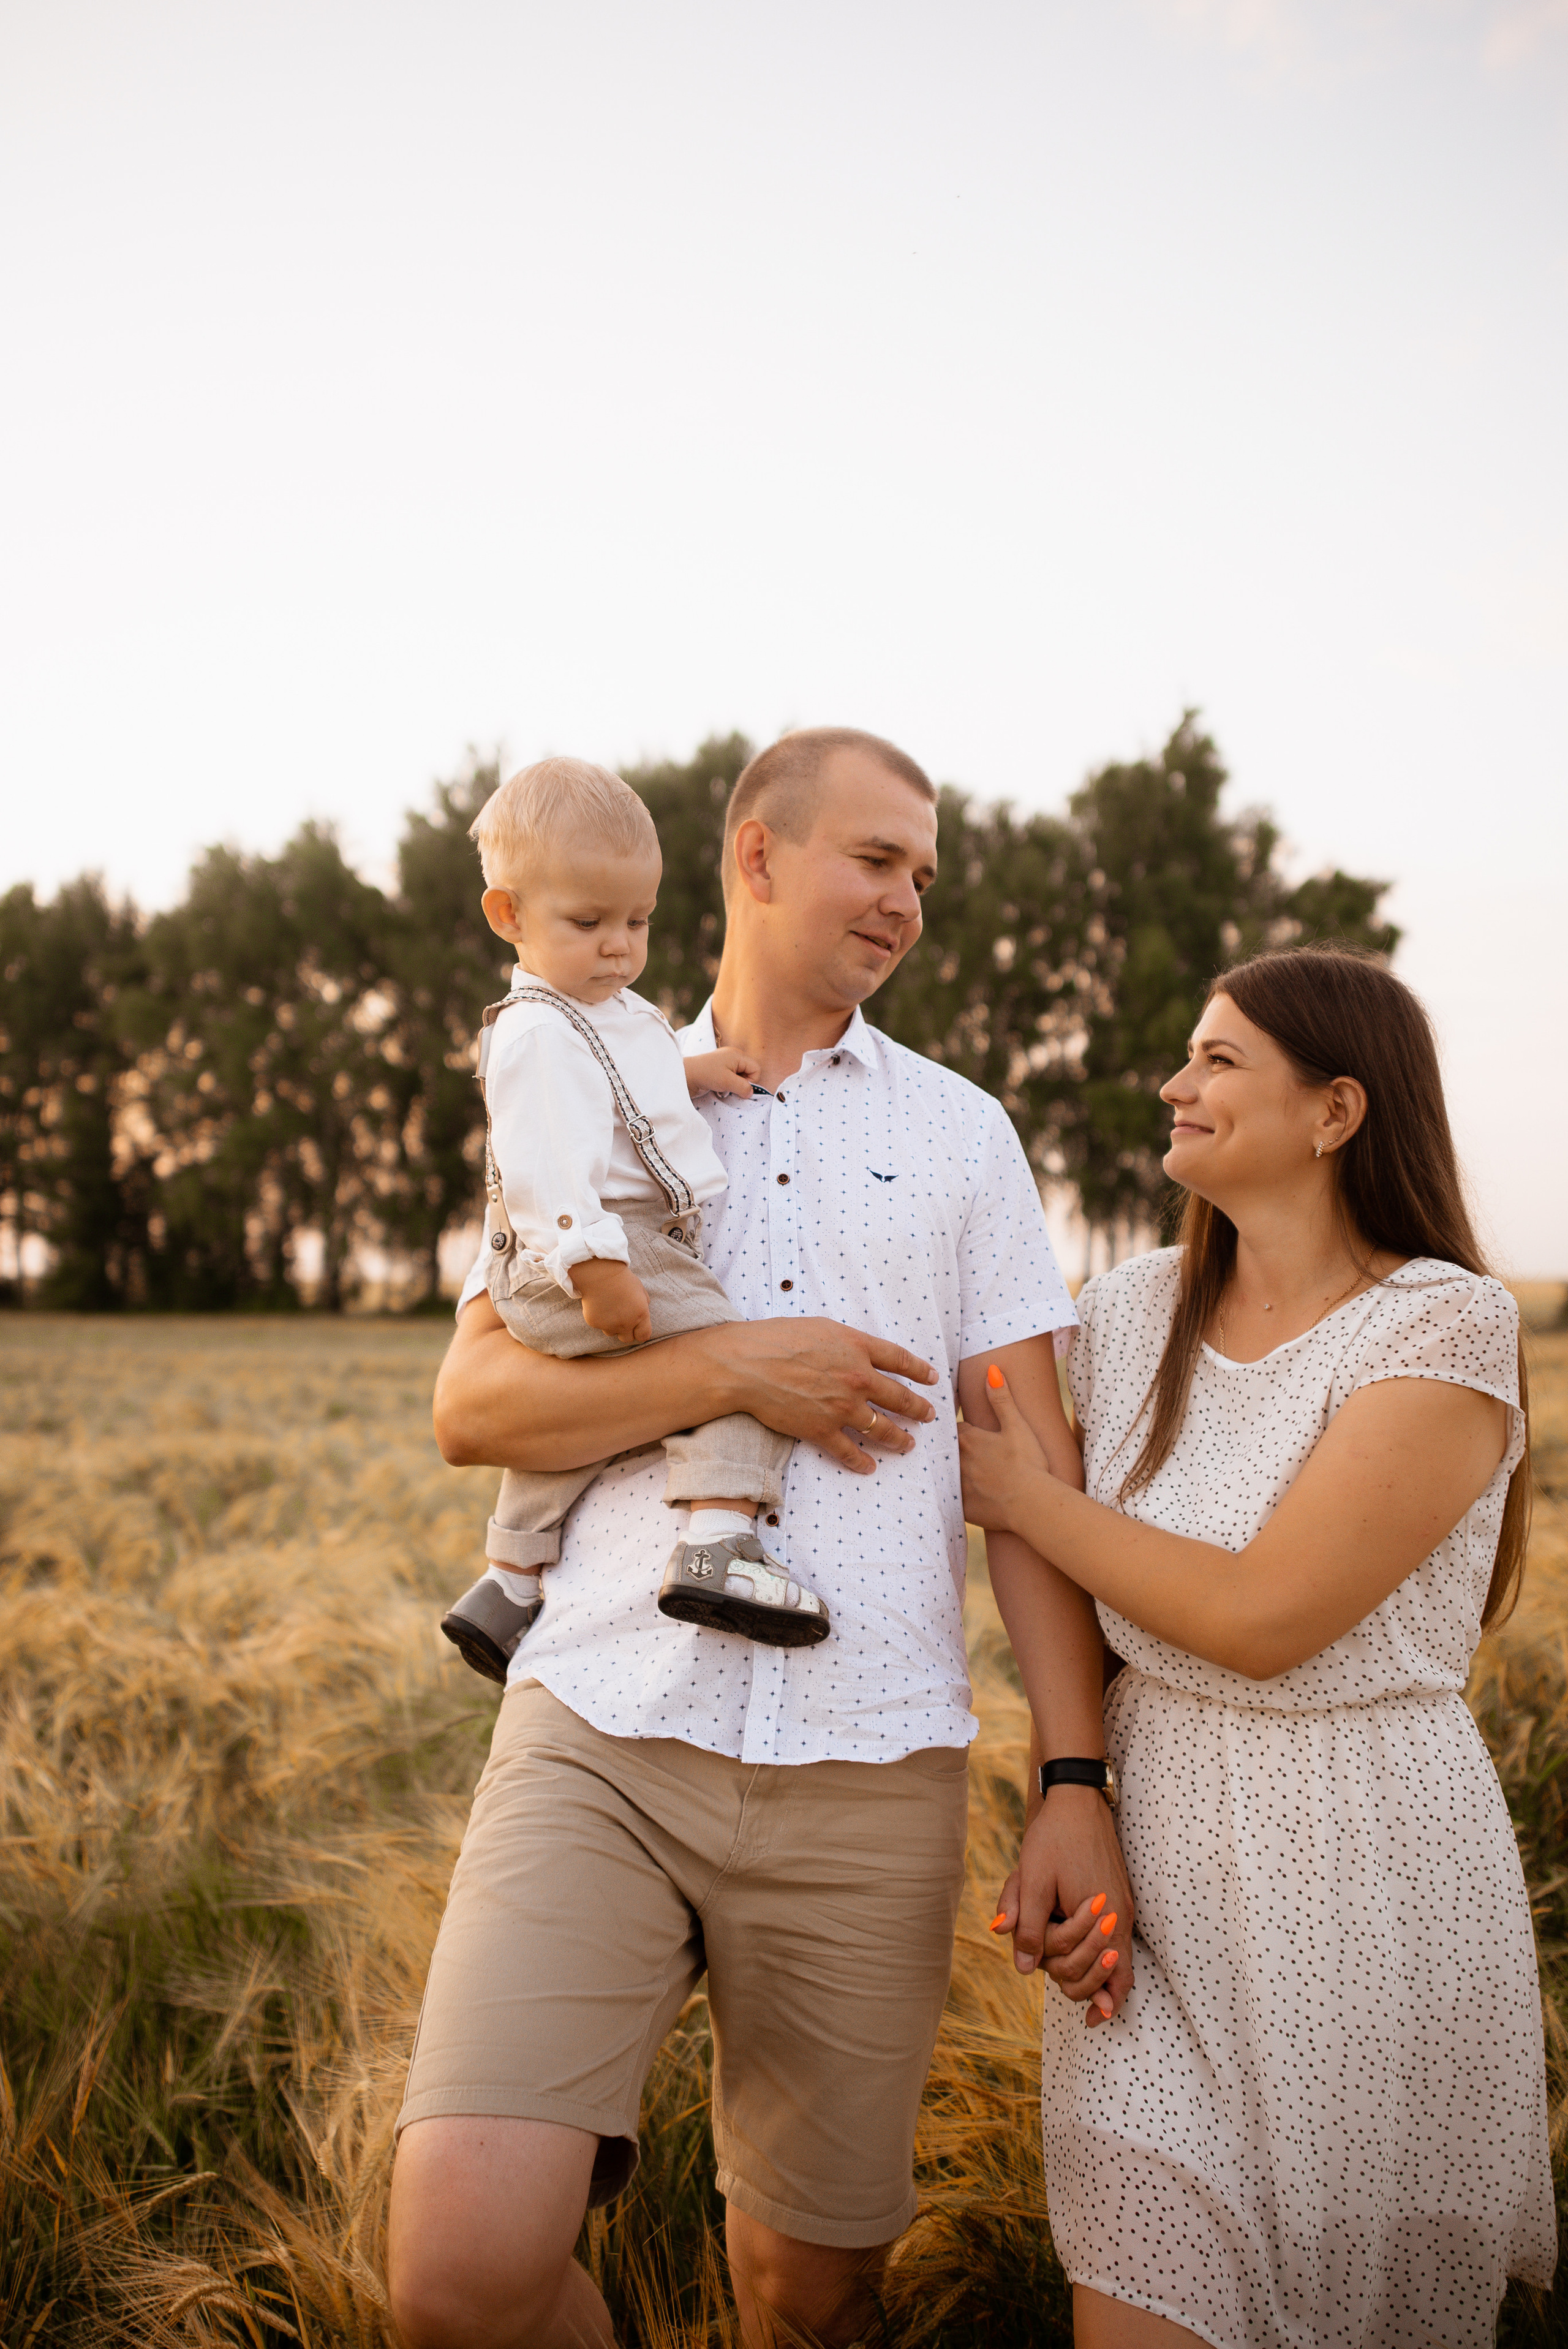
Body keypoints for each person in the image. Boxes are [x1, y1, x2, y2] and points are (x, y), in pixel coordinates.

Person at [387, 727, 1134, 2349]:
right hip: (601, 1725)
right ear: (756, 855)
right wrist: (732, 1366)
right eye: (879, 860)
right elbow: (475, 1402)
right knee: (459, 2274)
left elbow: (1033, 1490)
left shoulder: (965, 1139)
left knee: (807, 2291)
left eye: (926, 877)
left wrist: (1073, 1780)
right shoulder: (577, 1080)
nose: (908, 904)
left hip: (871, 1771)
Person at [962, 943, 1555, 2349]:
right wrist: (1069, 1785)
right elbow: (1035, 1546)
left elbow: (1262, 1619)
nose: (1172, 1085)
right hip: (1148, 1874)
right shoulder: (1121, 1316)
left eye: (1217, 1060)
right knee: (1141, 2295)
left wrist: (1033, 1499)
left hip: (1368, 1874)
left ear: (1335, 1111)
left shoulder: (1441, 1324)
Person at [438, 754, 831, 1681]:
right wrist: (595, 1265)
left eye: (639, 921)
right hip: (593, 1248)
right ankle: (717, 1538)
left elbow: (617, 1083)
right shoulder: (533, 1031)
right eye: (589, 922)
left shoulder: (596, 1012)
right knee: (734, 1366)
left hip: (588, 1251)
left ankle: (509, 1580)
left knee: (595, 1410)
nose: (619, 945)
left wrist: (687, 1075)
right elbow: (542, 1164)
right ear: (509, 915)